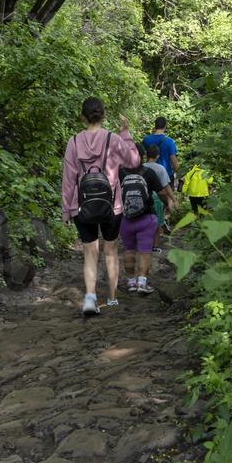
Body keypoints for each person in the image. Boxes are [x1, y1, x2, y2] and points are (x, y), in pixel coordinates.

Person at [62, 97, 139, 316]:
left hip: (81, 205)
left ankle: (89, 298)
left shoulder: (74, 142)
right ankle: (112, 298)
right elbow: (134, 161)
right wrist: (126, 133)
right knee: (111, 251)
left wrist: (66, 210)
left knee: (89, 252)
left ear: (82, 117)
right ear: (103, 115)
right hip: (112, 206)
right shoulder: (114, 139)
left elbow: (69, 180)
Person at [119, 146, 170, 295]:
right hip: (147, 217)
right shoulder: (149, 173)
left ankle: (130, 282)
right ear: (143, 156)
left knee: (128, 250)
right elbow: (161, 192)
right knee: (145, 251)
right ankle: (142, 282)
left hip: (126, 219)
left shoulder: (120, 173)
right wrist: (166, 204)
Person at [143, 143, 176, 253]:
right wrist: (173, 199)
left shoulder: (141, 167)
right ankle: (155, 247)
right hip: (156, 198)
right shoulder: (161, 168)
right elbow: (166, 187)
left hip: (143, 198)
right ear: (158, 156)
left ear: (146, 155)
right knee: (157, 224)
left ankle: (144, 243)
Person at [143, 116, 179, 187]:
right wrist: (179, 174)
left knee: (151, 196)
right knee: (168, 196)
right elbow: (173, 160)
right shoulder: (169, 142)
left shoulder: (146, 139)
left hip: (150, 173)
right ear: (165, 126)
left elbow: (142, 155)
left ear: (155, 126)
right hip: (166, 175)